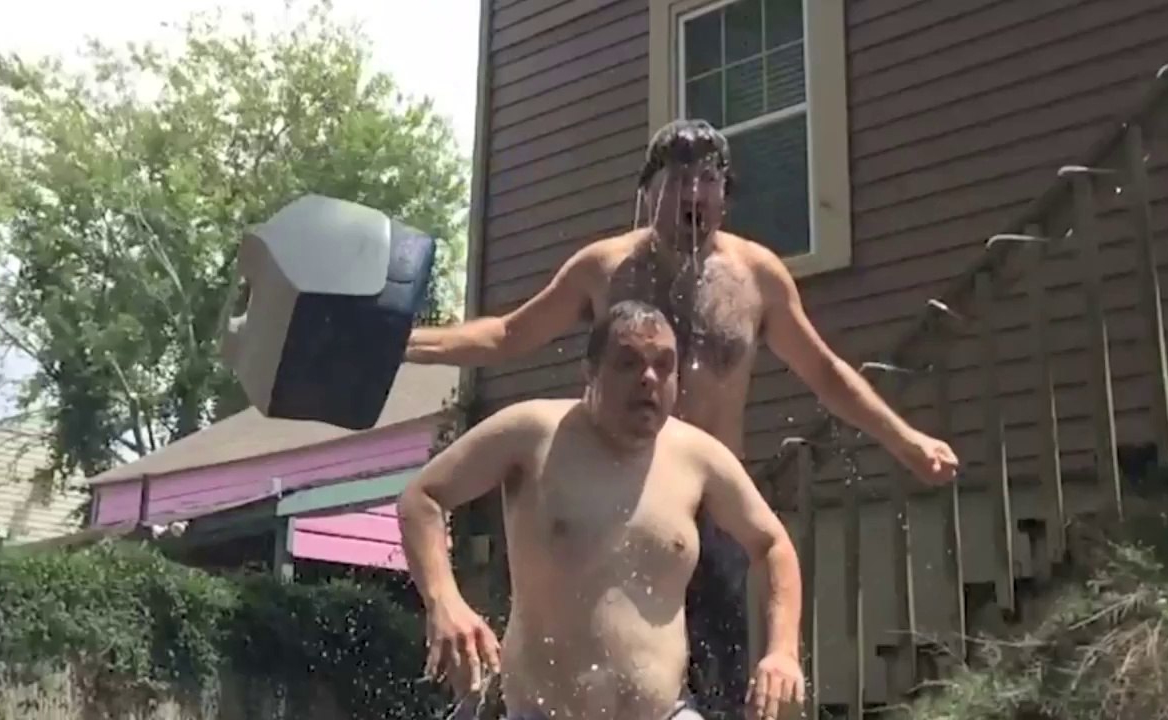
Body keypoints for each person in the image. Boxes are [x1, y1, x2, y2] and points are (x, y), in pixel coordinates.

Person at [406, 118, 960, 712]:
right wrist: (407, 345)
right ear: (648, 193)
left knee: (720, 692)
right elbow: (508, 334)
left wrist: (902, 440)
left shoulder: (756, 277)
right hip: (611, 493)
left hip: (708, 509)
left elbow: (825, 373)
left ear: (725, 194)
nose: (693, 195)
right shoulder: (605, 267)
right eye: (678, 181)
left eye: (707, 181)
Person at [398, 300, 804, 720]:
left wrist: (783, 651)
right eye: (628, 363)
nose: (649, 378)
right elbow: (421, 498)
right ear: (589, 373)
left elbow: (772, 544)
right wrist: (443, 600)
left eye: (664, 365)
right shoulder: (532, 433)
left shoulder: (700, 457)